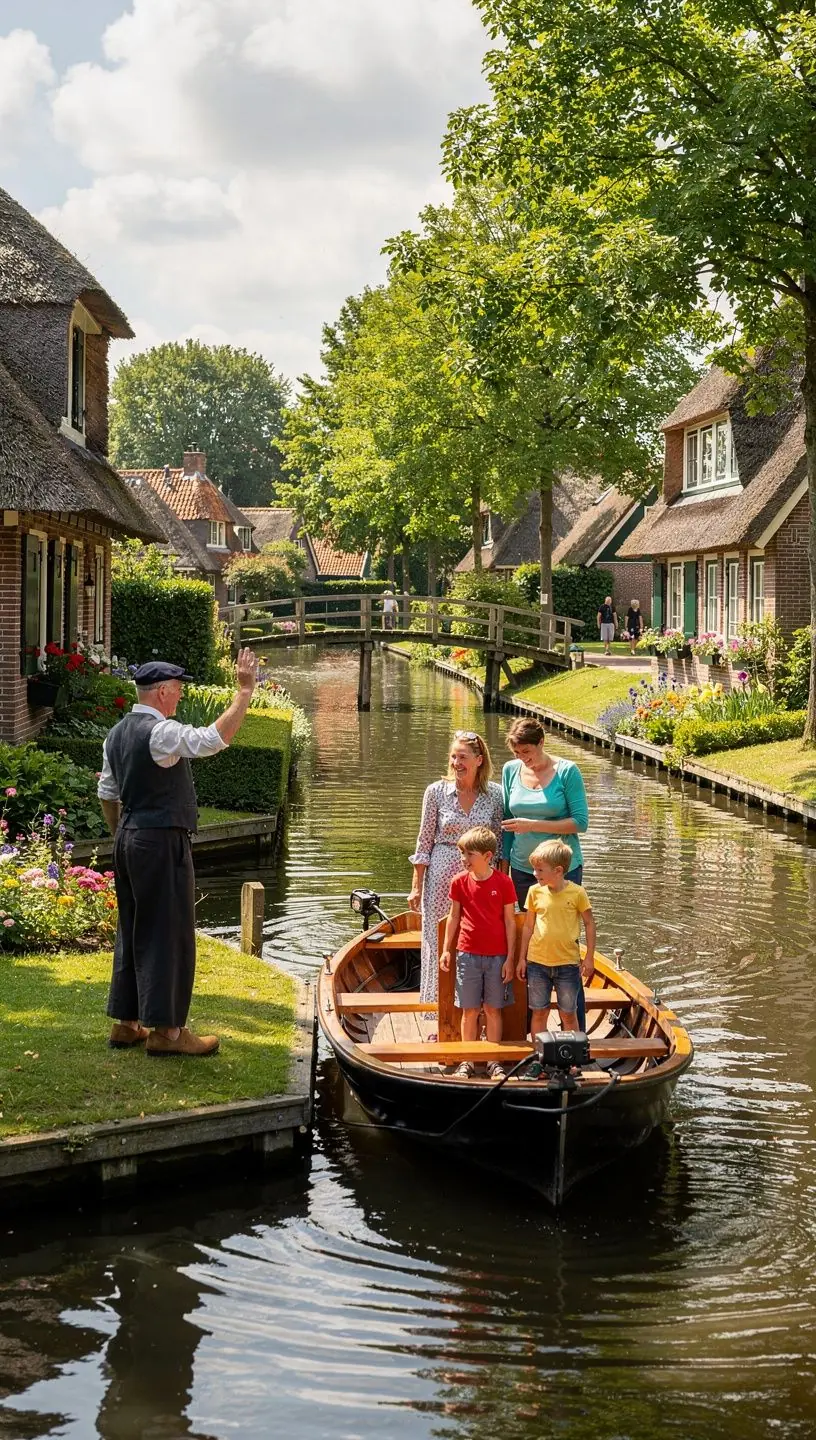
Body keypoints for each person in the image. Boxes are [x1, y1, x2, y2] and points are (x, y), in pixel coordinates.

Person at [97, 649, 258, 1058]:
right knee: (169, 932)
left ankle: (126, 1023)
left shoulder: (116, 734)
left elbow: (107, 794)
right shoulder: (160, 732)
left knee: (133, 926)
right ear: (163, 692)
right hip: (160, 841)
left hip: (128, 838)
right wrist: (243, 693)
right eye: (178, 689)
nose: (181, 696)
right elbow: (213, 740)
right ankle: (168, 1032)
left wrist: (122, 836)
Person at [500, 715, 589, 1029]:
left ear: (541, 743)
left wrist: (533, 825)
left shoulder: (567, 771)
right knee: (530, 942)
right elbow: (508, 825)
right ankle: (531, 1027)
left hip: (563, 871)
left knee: (563, 942)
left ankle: (575, 1029)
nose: (523, 758)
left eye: (527, 752)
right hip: (522, 870)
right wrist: (504, 868)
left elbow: (580, 823)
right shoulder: (510, 771)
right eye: (517, 753)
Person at [409, 731, 503, 1012]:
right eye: (453, 756)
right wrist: (416, 887)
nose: (456, 763)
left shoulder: (495, 795)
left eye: (462, 757)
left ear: (478, 760)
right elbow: (424, 842)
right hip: (441, 878)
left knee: (479, 939)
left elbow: (498, 844)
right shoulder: (435, 792)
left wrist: (501, 883)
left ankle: (476, 1012)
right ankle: (437, 1011)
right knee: (438, 940)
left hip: (481, 880)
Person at [440, 826, 517, 1080]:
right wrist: (446, 950)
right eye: (462, 853)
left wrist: (510, 958)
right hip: (467, 954)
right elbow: (453, 917)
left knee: (493, 1009)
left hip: (497, 956)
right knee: (469, 1010)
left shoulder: (504, 882)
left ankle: (494, 1062)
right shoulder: (459, 882)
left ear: (487, 856)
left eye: (469, 854)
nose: (464, 859)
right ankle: (468, 1061)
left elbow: (510, 922)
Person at [517, 840, 596, 1078]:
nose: (534, 874)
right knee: (538, 1012)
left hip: (567, 964)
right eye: (534, 869)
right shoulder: (535, 892)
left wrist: (589, 958)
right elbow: (528, 927)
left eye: (539, 870)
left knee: (568, 1013)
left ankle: (573, 1060)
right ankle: (539, 1060)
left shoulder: (577, 893)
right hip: (537, 963)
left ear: (558, 870)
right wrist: (522, 958)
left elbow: (589, 924)